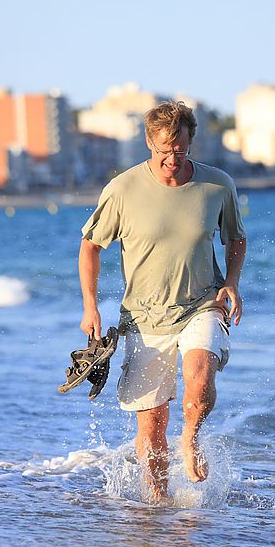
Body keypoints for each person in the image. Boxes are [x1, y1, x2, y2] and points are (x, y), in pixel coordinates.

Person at [79, 101, 247, 503]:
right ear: (149, 143)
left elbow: (236, 238)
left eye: (180, 149)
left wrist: (233, 283)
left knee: (200, 373)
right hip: (143, 317)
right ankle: (158, 505)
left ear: (191, 143)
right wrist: (90, 306)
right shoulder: (123, 189)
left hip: (202, 304)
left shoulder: (217, 185)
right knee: (152, 425)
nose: (172, 158)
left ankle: (191, 438)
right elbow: (89, 246)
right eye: (163, 150)